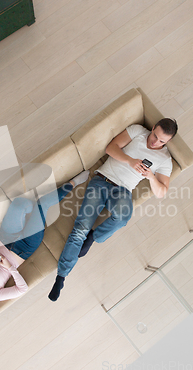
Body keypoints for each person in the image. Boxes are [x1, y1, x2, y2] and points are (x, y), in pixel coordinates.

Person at [48, 119, 178, 301]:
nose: (155, 142)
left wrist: (150, 176)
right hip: (102, 180)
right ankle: (61, 277)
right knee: (80, 229)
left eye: (162, 141)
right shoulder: (138, 132)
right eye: (155, 136)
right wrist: (130, 161)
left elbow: (161, 192)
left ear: (168, 142)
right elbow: (111, 148)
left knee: (123, 218)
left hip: (123, 191)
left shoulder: (164, 160)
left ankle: (94, 237)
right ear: (154, 127)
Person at [0, 170, 90, 309]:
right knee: (42, 203)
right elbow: (22, 289)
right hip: (24, 248)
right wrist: (10, 267)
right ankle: (73, 183)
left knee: (19, 204)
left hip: (4, 236)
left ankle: (28, 215)